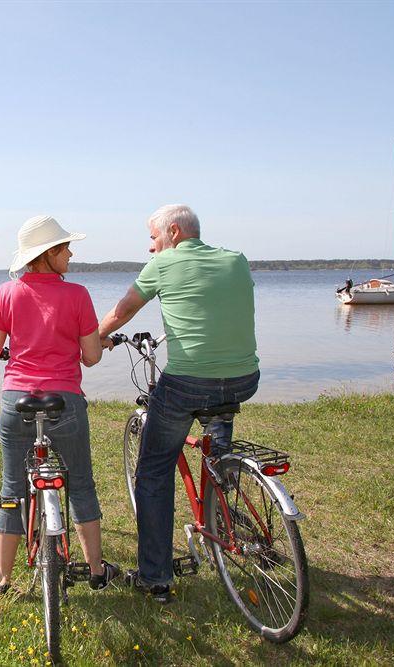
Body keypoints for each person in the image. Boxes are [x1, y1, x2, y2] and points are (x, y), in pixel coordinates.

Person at [98, 204, 259, 603]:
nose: (151, 247)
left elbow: (122, 311)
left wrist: (93, 337)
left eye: (153, 238)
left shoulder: (164, 265)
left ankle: (155, 576)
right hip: (244, 379)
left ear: (172, 231)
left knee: (152, 472)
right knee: (216, 450)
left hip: (188, 383)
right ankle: (225, 504)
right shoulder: (236, 260)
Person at [0, 215, 119, 594]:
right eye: (65, 247)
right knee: (82, 485)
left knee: (12, 489)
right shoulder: (78, 295)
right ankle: (97, 571)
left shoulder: (7, 293)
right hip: (66, 402)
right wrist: (91, 345)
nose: (71, 254)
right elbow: (91, 357)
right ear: (49, 253)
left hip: (16, 402)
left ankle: (2, 579)